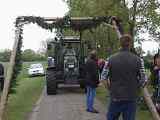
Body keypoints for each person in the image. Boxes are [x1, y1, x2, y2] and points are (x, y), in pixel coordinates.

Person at [101, 34, 147, 120]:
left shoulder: (110, 59)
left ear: (120, 44)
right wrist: (137, 89)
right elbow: (144, 79)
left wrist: (110, 89)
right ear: (130, 44)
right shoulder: (138, 60)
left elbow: (103, 78)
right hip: (131, 97)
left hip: (115, 96)